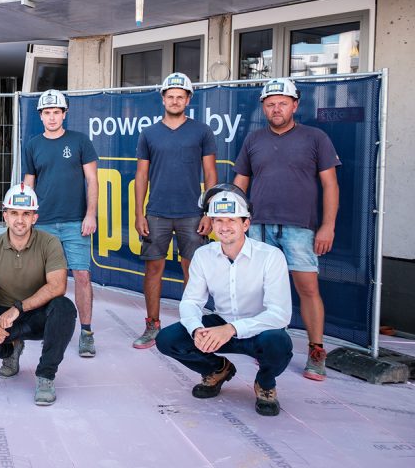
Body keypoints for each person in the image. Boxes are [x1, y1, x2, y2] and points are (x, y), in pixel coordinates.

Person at [234, 77, 340, 381]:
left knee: (307, 289)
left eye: (282, 103)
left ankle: (316, 351)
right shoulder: (253, 139)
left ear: (295, 105)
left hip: (301, 229)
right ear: (263, 108)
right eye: (270, 104)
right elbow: (241, 183)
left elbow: (330, 184)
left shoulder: (315, 138)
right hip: (258, 228)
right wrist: (238, 223)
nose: (276, 108)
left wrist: (327, 226)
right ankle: (266, 348)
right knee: (261, 291)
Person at [155, 185, 292, 416]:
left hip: (258, 329)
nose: (224, 227)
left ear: (245, 224)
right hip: (221, 325)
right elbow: (190, 302)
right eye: (218, 220)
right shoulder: (203, 255)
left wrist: (231, 329)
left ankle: (265, 383)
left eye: (232, 220)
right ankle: (217, 369)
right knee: (167, 340)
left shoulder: (270, 257)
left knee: (279, 343)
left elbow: (279, 314)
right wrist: (197, 329)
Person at [0, 184, 76, 406]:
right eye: (14, 213)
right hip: (5, 315)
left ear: (34, 217)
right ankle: (10, 349)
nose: (19, 220)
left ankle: (45, 376)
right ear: (5, 216)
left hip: (40, 314)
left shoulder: (49, 243)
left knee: (64, 308)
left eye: (26, 214)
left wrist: (19, 308)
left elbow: (57, 286)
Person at [133, 72, 217, 349]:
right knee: (153, 268)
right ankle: (152, 325)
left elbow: (210, 173)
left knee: (192, 271)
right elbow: (142, 175)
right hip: (156, 212)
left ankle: (190, 328)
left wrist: (209, 211)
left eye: (180, 96)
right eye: (170, 96)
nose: (175, 100)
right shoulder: (149, 133)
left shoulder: (202, 131)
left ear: (188, 99)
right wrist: (138, 213)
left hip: (192, 213)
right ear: (163, 99)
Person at [23, 89, 100, 357]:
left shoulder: (80, 141)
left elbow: (92, 180)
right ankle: (45, 328)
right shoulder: (32, 144)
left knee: (81, 275)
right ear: (41, 116)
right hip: (42, 223)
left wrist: (90, 214)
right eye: (47, 112)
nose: (52, 117)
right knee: (45, 280)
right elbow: (29, 183)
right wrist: (25, 217)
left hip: (75, 222)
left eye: (57, 112)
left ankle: (87, 333)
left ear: (65, 114)